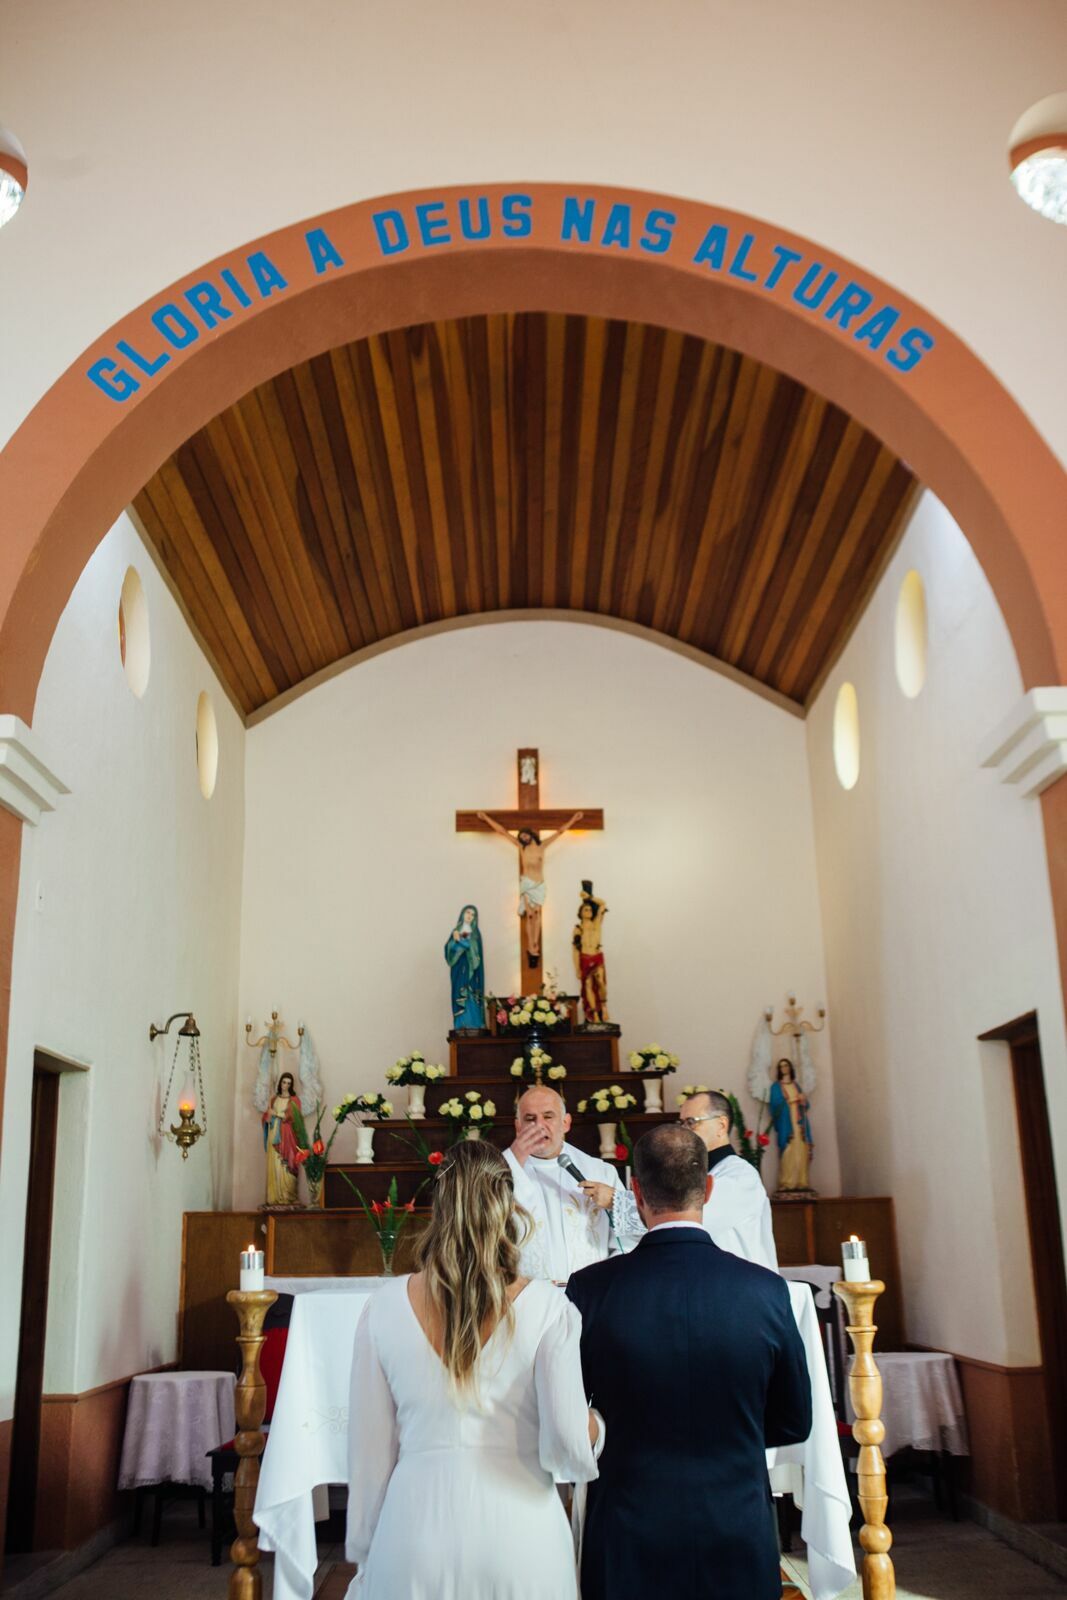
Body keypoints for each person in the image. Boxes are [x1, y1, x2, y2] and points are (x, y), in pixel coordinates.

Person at [345, 1141, 601, 1599]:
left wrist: (366, 1550)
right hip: (522, 1537)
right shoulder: (548, 1307)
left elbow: (369, 1452)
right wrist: (597, 1427)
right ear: (508, 1204)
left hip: (413, 1531)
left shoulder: (382, 1308)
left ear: (439, 1206)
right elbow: (567, 1442)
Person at [566, 1125, 811, 1600]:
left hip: (628, 1532)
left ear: (634, 1190)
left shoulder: (590, 1289)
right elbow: (793, 1421)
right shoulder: (766, 1290)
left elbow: (572, 1415)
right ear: (709, 1188)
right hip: (736, 1527)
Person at [590, 1087, 778, 1269]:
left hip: (741, 1287)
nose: (684, 1130)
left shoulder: (741, 1176)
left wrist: (617, 1201)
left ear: (721, 1125)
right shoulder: (691, 1173)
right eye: (681, 1123)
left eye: (692, 1122)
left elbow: (686, 1214)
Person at [503, 1085, 637, 1281]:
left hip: (591, 1297)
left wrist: (616, 1203)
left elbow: (632, 1241)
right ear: (518, 1127)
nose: (539, 1126)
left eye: (548, 1116)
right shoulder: (498, 1173)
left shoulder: (601, 1172)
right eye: (530, 1119)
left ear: (566, 1123)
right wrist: (511, 1162)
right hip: (527, 1301)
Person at [477, 809, 582, 967]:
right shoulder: (521, 847)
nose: (523, 838)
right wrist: (486, 818)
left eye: (524, 835)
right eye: (521, 837)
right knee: (530, 915)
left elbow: (560, 832)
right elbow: (503, 832)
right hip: (527, 883)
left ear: (530, 834)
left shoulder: (542, 846)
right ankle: (530, 945)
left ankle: (535, 944)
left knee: (538, 913)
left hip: (539, 885)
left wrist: (574, 819)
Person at [770, 1057, 814, 1190]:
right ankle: (787, 1183)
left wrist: (802, 1101)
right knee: (788, 1152)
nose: (784, 1068)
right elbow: (775, 1105)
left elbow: (806, 1106)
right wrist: (791, 1101)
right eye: (781, 1066)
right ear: (779, 1069)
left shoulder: (796, 1085)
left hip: (799, 1124)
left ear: (790, 1068)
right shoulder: (776, 1087)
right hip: (786, 1124)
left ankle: (802, 1182)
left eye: (786, 1066)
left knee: (802, 1150)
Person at [261, 1071, 302, 1205]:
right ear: (280, 1083)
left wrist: (276, 1113)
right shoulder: (273, 1099)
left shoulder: (294, 1100)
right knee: (274, 1165)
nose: (286, 1085)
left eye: (289, 1083)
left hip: (287, 1136)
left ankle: (287, 1195)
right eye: (284, 1082)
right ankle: (274, 1198)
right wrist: (268, 1117)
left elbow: (293, 1117)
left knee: (287, 1163)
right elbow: (266, 1117)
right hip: (274, 1134)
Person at [444, 903, 486, 1030]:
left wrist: (459, 940)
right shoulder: (456, 931)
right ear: (462, 913)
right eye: (468, 912)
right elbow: (449, 951)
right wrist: (455, 942)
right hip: (458, 969)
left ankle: (473, 1024)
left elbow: (471, 948)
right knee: (458, 994)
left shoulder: (473, 933)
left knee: (469, 995)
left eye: (473, 914)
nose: (470, 916)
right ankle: (461, 1025)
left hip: (470, 971)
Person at [572, 882, 609, 1024]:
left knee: (600, 982)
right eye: (585, 910)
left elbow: (603, 905)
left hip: (596, 956)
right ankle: (595, 1015)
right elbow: (575, 950)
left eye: (589, 910)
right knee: (587, 985)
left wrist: (590, 897)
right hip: (585, 958)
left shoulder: (596, 924)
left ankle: (604, 1007)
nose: (588, 911)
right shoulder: (578, 929)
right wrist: (577, 968)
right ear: (580, 913)